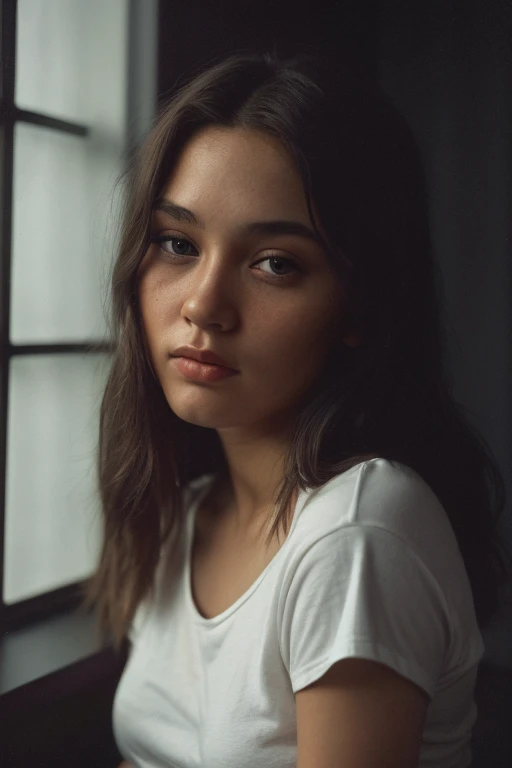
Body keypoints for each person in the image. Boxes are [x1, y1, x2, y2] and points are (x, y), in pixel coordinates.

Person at [81, 49, 511, 768]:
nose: (203, 305)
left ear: (360, 303)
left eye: (275, 262)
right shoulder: (189, 512)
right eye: (178, 243)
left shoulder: (358, 532)